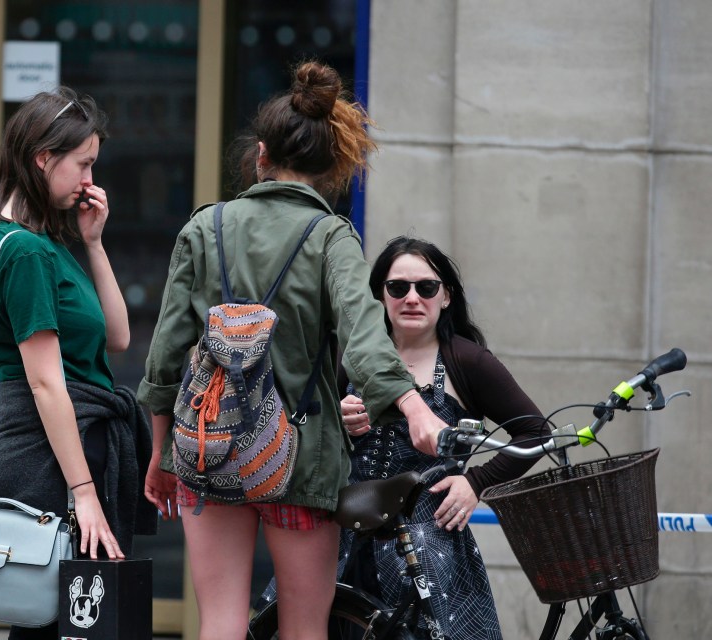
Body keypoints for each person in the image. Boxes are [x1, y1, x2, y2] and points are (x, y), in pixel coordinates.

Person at [138, 61, 450, 640]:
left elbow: (164, 357)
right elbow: (365, 342)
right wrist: (416, 410)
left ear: (261, 154)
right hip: (299, 461)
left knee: (222, 625)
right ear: (333, 167)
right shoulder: (331, 237)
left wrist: (160, 456)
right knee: (305, 630)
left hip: (211, 451)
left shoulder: (205, 228)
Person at [0, 87, 156, 640]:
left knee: (58, 628)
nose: (89, 181)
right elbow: (46, 382)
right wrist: (84, 493)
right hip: (48, 461)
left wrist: (94, 245)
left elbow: (120, 336)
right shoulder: (25, 251)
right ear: (43, 159)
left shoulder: (37, 242)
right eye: (83, 164)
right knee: (63, 628)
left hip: (57, 451)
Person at [333, 235, 549, 639]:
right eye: (398, 287)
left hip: (428, 545)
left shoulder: (467, 360)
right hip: (343, 541)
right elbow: (310, 433)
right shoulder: (356, 357)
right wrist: (336, 422)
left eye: (426, 287)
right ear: (380, 296)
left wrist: (476, 482)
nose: (412, 298)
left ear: (445, 296)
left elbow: (537, 433)